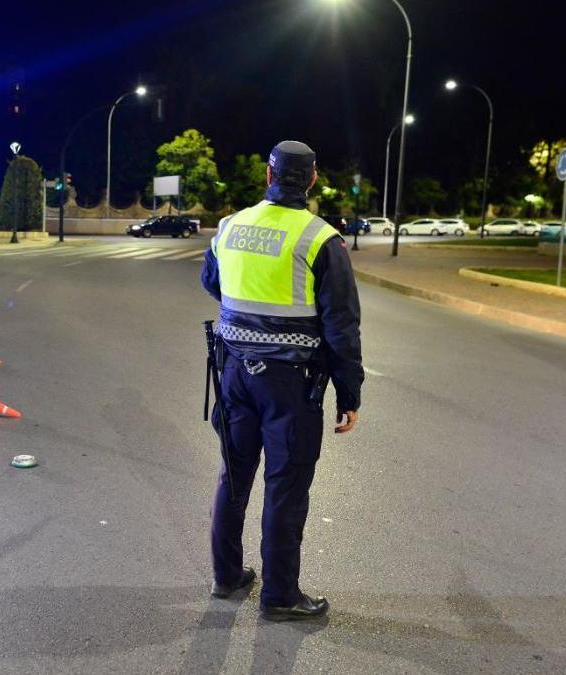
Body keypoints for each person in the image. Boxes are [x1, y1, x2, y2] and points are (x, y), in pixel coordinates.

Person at [200, 140, 363, 622]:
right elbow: (341, 326)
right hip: (290, 384)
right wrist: (349, 393)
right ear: (313, 179)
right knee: (286, 486)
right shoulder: (320, 239)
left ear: (268, 172)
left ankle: (227, 577)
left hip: (232, 372)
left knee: (234, 474)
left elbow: (214, 283)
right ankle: (280, 596)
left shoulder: (231, 227)